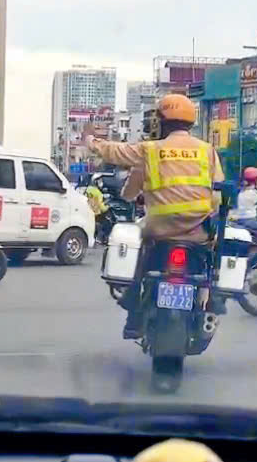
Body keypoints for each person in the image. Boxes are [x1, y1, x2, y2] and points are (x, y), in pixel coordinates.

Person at [85, 94, 225, 339]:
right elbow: (219, 189)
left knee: (140, 254)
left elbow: (117, 153)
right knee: (210, 261)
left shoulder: (151, 151)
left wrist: (92, 142)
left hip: (159, 229)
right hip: (197, 230)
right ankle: (212, 299)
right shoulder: (207, 151)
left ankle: (133, 312)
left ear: (160, 123)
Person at [86, 174, 116, 244]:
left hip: (88, 212)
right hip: (97, 213)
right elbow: (101, 207)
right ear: (95, 182)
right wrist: (108, 207)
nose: (101, 183)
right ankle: (103, 239)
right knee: (108, 224)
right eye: (99, 181)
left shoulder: (88, 189)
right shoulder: (98, 193)